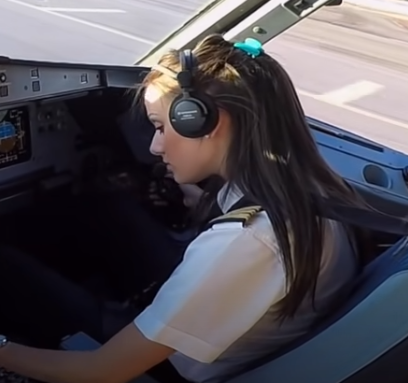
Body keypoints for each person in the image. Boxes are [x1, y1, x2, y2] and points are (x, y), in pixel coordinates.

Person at [0, 34, 371, 383]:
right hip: (215, 321)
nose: (155, 148)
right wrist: (196, 194)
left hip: (162, 365)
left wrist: (3, 351)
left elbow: (101, 371)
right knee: (105, 205)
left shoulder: (246, 243)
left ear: (205, 122)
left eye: (161, 127)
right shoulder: (308, 186)